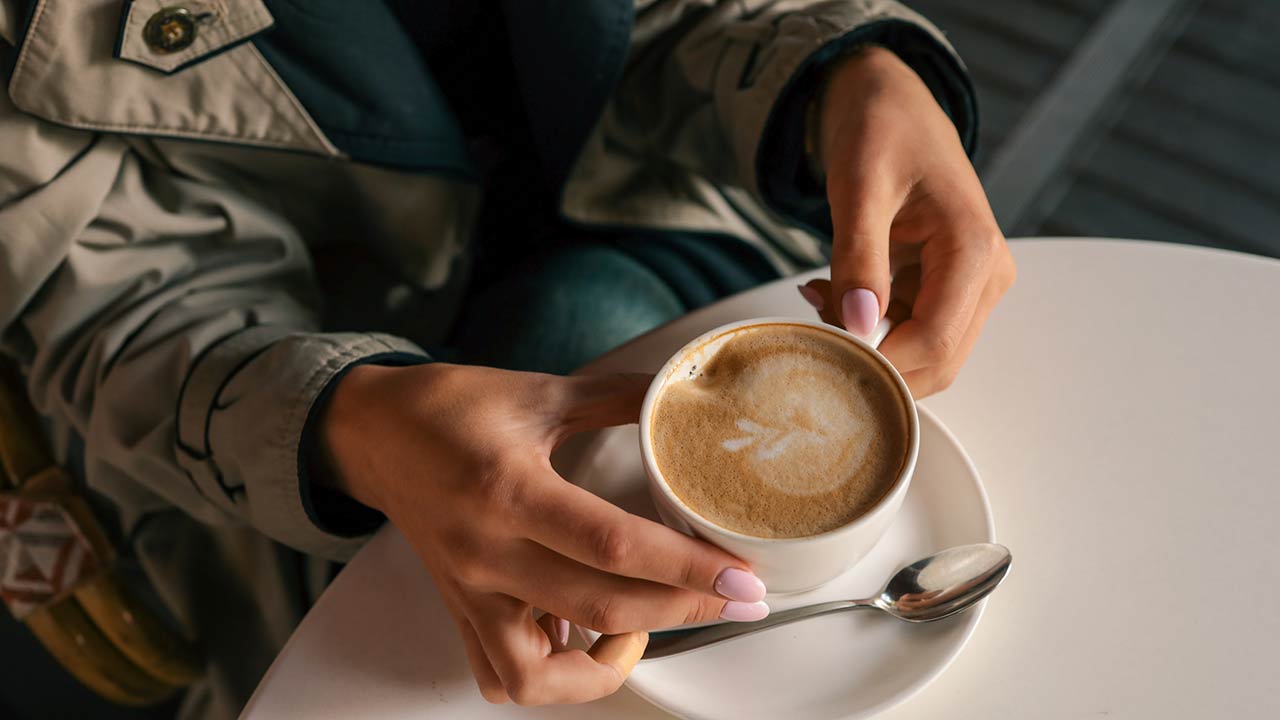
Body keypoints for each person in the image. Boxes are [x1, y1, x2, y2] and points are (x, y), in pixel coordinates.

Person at [0, 0, 1014, 716]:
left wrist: (840, 63)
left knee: (586, 312)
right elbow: (109, 310)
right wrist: (349, 419)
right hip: (277, 410)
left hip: (661, 210)